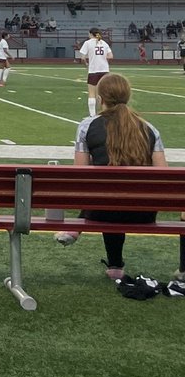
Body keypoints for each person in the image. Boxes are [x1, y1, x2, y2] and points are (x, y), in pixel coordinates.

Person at [54, 73, 168, 278]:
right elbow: (163, 176)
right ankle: (114, 264)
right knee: (116, 192)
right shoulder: (150, 129)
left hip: (101, 211)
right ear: (128, 96)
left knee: (108, 192)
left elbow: (80, 174)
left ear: (100, 99)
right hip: (143, 213)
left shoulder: (87, 126)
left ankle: (111, 262)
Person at [77, 28, 113, 118]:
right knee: (103, 93)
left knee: (92, 93)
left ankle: (92, 115)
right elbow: (110, 56)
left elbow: (82, 57)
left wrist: (86, 64)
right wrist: (103, 60)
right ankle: (104, 112)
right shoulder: (104, 43)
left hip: (93, 70)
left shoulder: (88, 43)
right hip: (104, 70)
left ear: (90, 34)